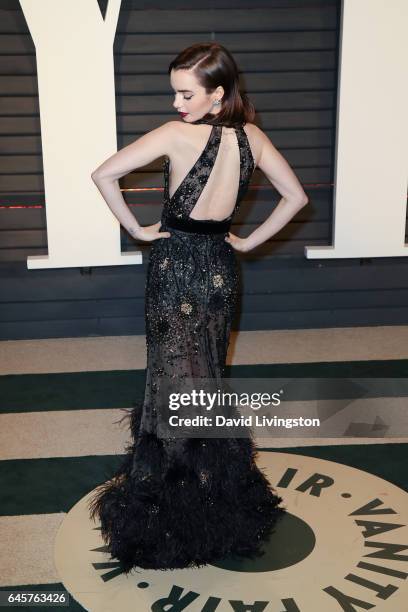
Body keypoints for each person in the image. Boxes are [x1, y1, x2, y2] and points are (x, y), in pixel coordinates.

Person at [87, 42, 309, 574]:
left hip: (173, 269)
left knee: (170, 380)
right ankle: (218, 497)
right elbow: (296, 197)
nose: (178, 103)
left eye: (187, 94)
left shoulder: (173, 137)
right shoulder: (251, 137)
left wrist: (138, 229)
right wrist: (250, 243)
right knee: (207, 376)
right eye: (174, 93)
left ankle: (173, 509)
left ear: (217, 95)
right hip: (219, 269)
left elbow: (102, 175)